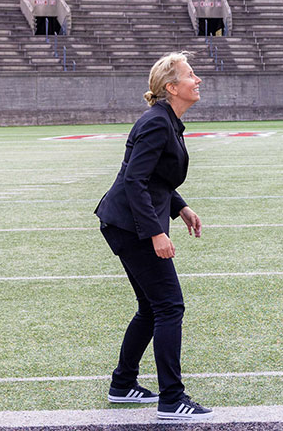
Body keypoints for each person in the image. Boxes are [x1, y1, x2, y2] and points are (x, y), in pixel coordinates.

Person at [95, 51, 213, 422]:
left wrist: (180, 207)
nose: (198, 80)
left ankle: (123, 385)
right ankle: (171, 399)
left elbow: (155, 177)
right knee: (169, 306)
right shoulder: (158, 123)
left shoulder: (167, 122)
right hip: (131, 227)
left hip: (128, 224)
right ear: (171, 87)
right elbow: (134, 180)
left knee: (151, 308)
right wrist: (156, 234)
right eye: (190, 75)